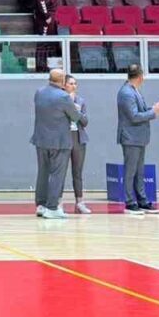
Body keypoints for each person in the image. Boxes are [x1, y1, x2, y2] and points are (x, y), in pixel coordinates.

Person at [116, 63, 159, 216]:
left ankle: (142, 200)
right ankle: (130, 202)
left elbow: (141, 110)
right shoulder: (127, 93)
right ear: (140, 76)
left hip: (138, 137)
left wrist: (153, 108)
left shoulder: (134, 90)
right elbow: (134, 116)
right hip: (131, 137)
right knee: (131, 170)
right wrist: (154, 113)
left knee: (139, 171)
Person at [31, 69, 81, 220]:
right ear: (62, 81)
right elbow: (75, 117)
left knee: (43, 173)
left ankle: (40, 205)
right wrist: (76, 108)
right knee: (57, 175)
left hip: (41, 139)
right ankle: (52, 207)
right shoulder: (63, 96)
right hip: (59, 142)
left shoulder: (39, 92)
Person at [64, 74, 91, 215]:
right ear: (64, 85)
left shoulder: (81, 101)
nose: (73, 86)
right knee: (60, 172)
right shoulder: (60, 100)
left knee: (77, 172)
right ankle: (57, 202)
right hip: (64, 137)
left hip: (78, 138)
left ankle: (79, 202)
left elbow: (85, 122)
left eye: (75, 83)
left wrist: (77, 112)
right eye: (70, 83)